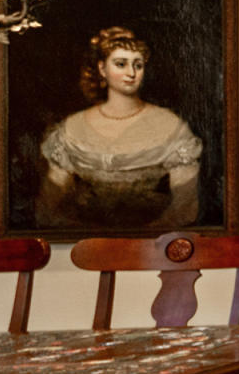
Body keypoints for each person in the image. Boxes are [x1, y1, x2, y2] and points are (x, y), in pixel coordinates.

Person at [38, 26, 201, 230]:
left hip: (153, 247)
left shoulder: (170, 125)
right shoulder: (73, 128)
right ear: (102, 69)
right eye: (121, 64)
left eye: (138, 65)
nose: (131, 73)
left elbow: (185, 209)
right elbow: (48, 208)